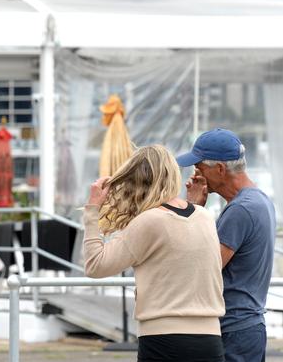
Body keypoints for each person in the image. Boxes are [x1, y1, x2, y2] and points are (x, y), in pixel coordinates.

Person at [84, 145, 225, 362]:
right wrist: (193, 203)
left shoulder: (149, 221)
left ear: (135, 182)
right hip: (210, 340)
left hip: (163, 339)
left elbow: (96, 266)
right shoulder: (204, 216)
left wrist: (93, 209)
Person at [177, 128, 276, 362]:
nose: (195, 174)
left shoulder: (240, 210)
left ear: (220, 169)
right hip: (247, 326)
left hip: (233, 329)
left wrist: (193, 211)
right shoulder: (259, 200)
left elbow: (205, 268)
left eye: (200, 167)